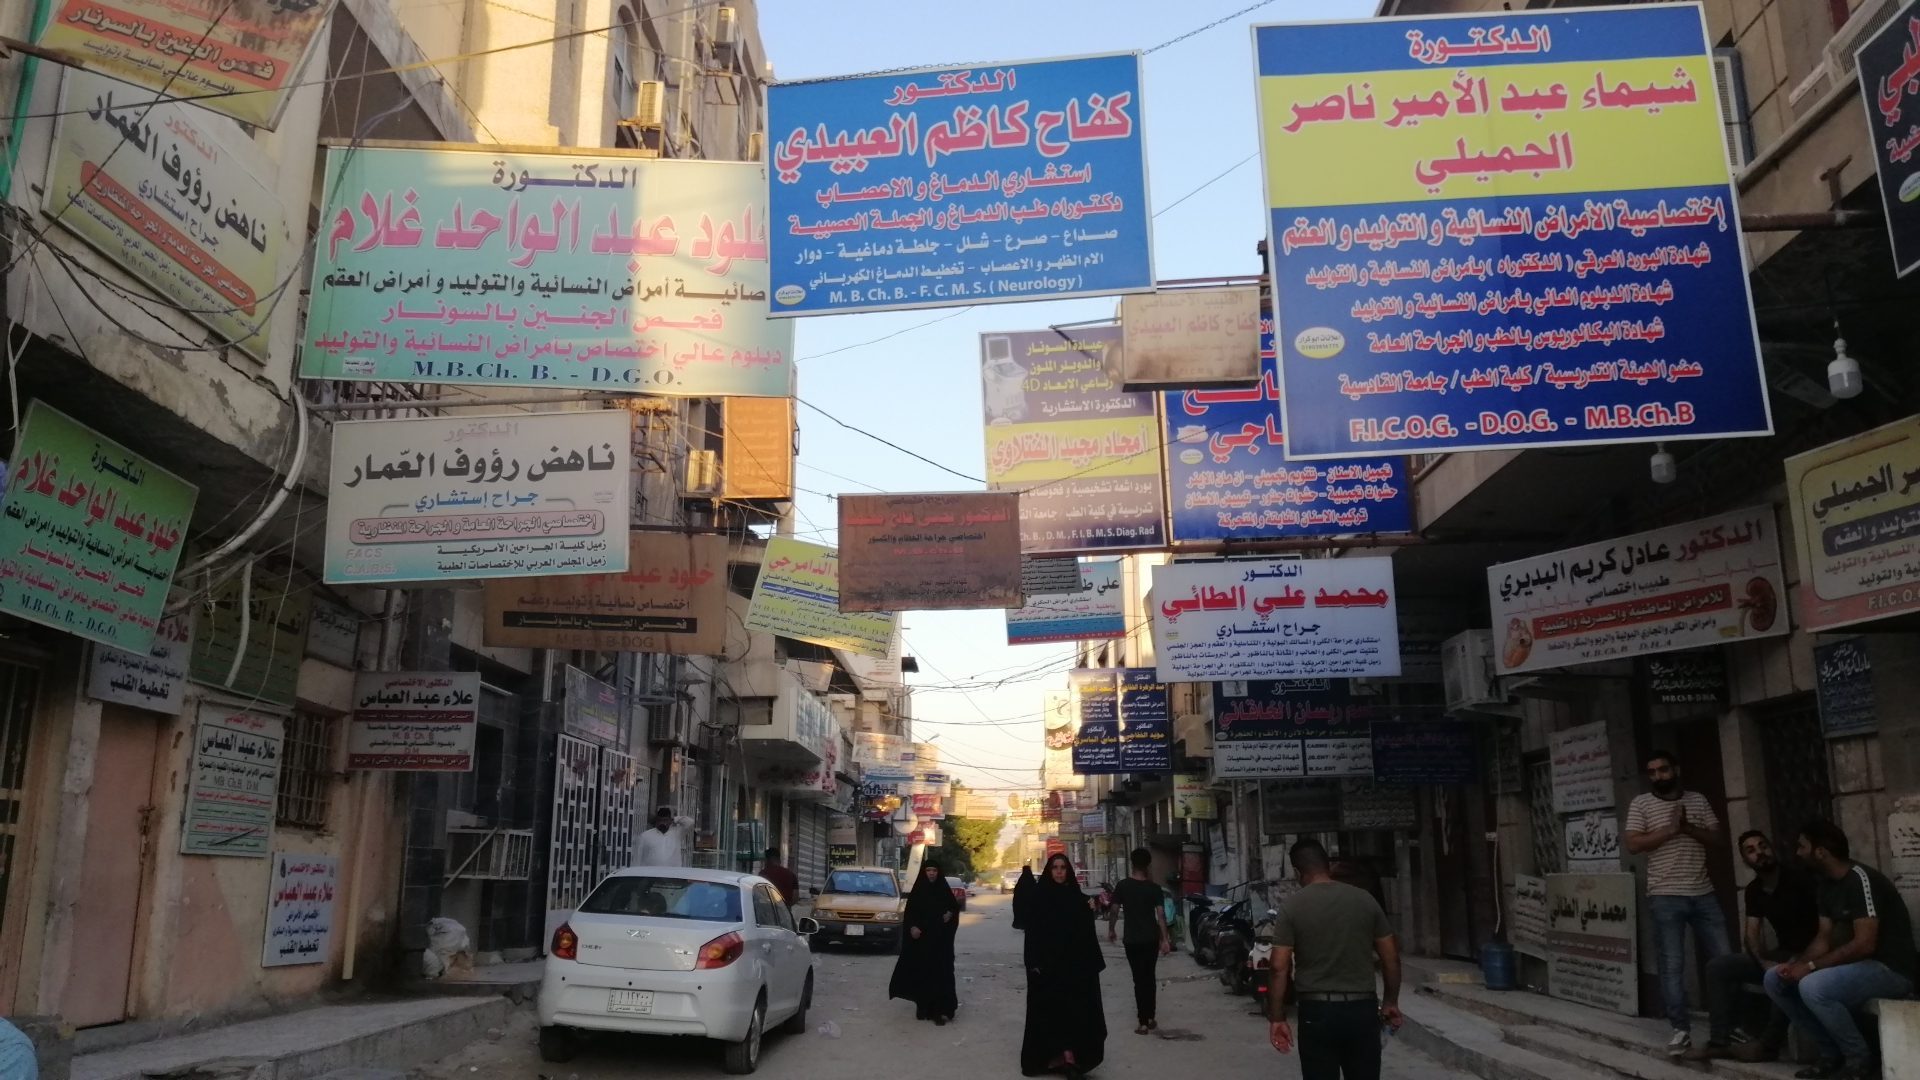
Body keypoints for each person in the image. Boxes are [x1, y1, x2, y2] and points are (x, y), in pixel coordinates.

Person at [1764, 819, 1917, 1080]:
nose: (1798, 853)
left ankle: (1858, 1060)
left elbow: (1865, 944)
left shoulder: (1860, 880)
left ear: (1820, 852)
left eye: (1802, 846)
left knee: (1814, 986)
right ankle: (1830, 1054)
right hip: (1857, 967)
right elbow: (1824, 938)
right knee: (1774, 979)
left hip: (1890, 969)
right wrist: (1796, 965)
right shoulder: (1826, 885)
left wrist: (1810, 967)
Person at [1268, 838, 1402, 1080]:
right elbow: (1391, 958)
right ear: (1327, 865)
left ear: (1297, 872)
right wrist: (1391, 1002)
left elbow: (1279, 967)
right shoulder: (1365, 900)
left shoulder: (1292, 907)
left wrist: (1277, 1017)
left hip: (1316, 1012)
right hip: (1362, 1010)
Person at [1623, 749, 1729, 1057]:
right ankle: (1680, 1030)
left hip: (1703, 893)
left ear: (1676, 770)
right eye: (1652, 772)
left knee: (1725, 960)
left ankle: (1729, 1025)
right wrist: (1668, 831)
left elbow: (1719, 839)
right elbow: (1633, 843)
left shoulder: (1697, 801)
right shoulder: (1641, 804)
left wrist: (1689, 829)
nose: (1658, 776)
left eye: (1663, 770)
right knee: (1672, 965)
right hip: (1665, 896)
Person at [1686, 830, 1820, 1063]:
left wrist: (1798, 960)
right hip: (1782, 954)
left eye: (1763, 846)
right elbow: (1751, 934)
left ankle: (1768, 1045)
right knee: (1719, 966)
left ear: (1772, 848)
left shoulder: (1800, 880)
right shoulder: (1754, 890)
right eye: (1751, 851)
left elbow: (1825, 929)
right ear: (1745, 860)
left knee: (1781, 976)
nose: (1760, 853)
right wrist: (1763, 962)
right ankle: (1719, 1041)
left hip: (1813, 954)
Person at [1021, 854, 1107, 1077]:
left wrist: (1090, 910)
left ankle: (1070, 1057)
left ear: (1068, 871)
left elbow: (1084, 933)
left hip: (1073, 967)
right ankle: (1057, 1057)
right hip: (1048, 968)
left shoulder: (1077, 898)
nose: (1059, 872)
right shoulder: (1039, 897)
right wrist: (1033, 963)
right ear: (1049, 871)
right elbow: (1032, 934)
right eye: (1055, 868)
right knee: (1051, 1013)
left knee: (1073, 1012)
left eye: (1063, 868)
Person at [1107, 847, 1171, 1034]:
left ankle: (1142, 1022)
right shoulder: (1154, 888)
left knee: (1139, 979)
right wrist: (1165, 939)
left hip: (1132, 940)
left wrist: (1111, 929)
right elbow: (1161, 915)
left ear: (1132, 864)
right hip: (1151, 939)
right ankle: (1150, 1017)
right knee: (1149, 977)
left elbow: (1114, 910)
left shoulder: (1123, 886)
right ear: (1148, 865)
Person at [890, 861, 960, 1025]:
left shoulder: (943, 890)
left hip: (941, 942)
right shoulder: (918, 891)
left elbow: (953, 908)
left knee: (941, 974)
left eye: (934, 870)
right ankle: (923, 1007)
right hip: (922, 942)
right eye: (928, 870)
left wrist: (950, 914)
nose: (931, 873)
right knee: (923, 973)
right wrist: (913, 927)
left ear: (938, 872)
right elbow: (910, 913)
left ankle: (940, 1011)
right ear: (924, 872)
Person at [1012, 864, 1036, 931]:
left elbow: (1016, 892)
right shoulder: (1032, 880)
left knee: (1022, 914)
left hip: (1021, 903)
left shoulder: (1021, 881)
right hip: (1030, 903)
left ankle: (1023, 925)